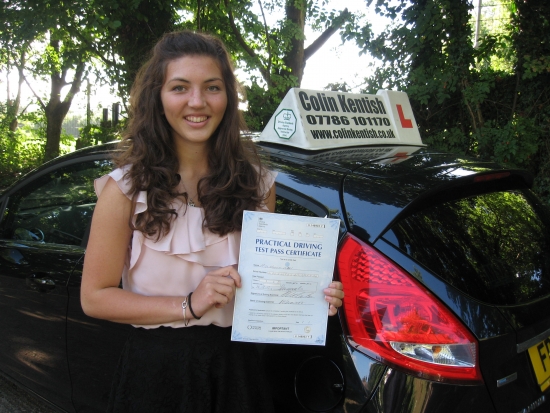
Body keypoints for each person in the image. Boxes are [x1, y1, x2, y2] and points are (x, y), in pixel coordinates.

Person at [81, 30, 344, 413]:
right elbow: (94, 298)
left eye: (212, 87)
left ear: (228, 97)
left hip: (237, 372)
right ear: (158, 96)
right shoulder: (123, 190)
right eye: (180, 87)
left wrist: (310, 294)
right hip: (156, 375)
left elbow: (262, 285)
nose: (197, 102)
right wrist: (189, 304)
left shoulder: (256, 184)